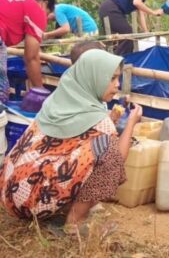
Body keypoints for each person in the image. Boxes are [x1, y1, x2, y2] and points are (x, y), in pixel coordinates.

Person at [0, 49, 142, 234]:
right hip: (33, 201)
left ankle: (58, 207)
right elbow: (118, 160)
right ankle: (74, 223)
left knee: (92, 152)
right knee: (108, 153)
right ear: (94, 78)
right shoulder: (99, 121)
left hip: (9, 193)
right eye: (112, 78)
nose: (117, 85)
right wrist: (130, 123)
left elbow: (74, 139)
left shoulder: (58, 100)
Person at [0, 0, 55, 104]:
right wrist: (40, 92)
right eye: (47, 14)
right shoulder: (37, 10)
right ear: (44, 4)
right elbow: (31, 57)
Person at [98, 0, 164, 55]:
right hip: (112, 8)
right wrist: (153, 12)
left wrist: (146, 31)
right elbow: (136, 2)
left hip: (109, 8)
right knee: (128, 37)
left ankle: (117, 60)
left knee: (123, 38)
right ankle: (120, 62)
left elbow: (140, 11)